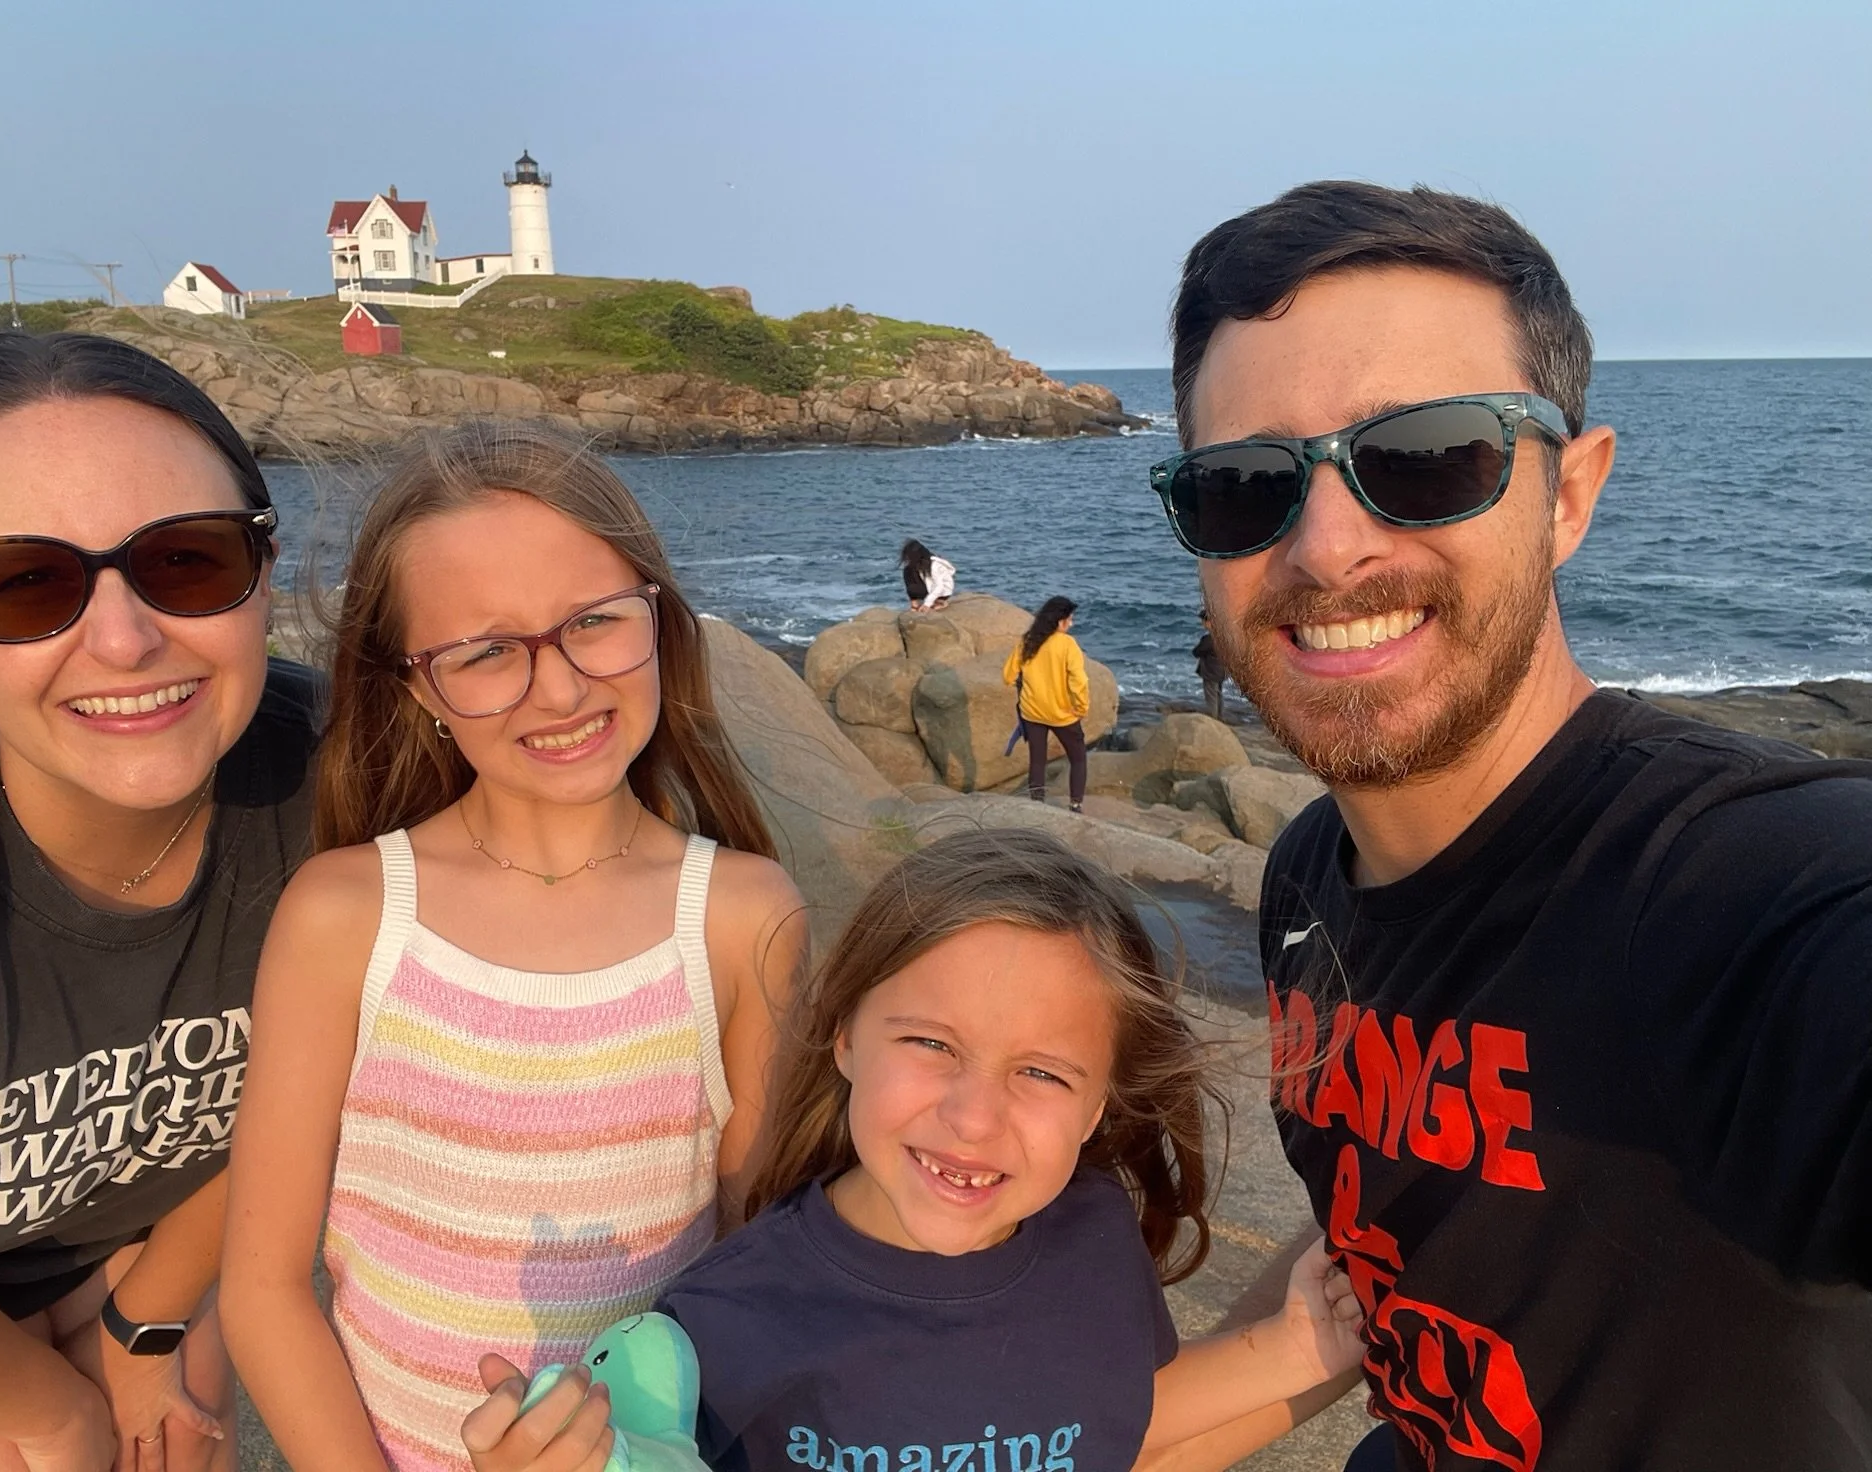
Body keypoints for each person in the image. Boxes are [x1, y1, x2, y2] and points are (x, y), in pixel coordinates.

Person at [1151, 181, 1872, 1470]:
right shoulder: (1310, 876)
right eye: (1244, 484)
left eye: (1425, 457)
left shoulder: (1746, 887)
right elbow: (1379, 1252)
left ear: (1568, 495)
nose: (1325, 549)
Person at [219, 421, 807, 1472]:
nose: (561, 686)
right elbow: (262, 1291)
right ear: (413, 687)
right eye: (485, 652)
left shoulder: (740, 916)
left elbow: (755, 1277)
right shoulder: (345, 915)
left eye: (592, 622)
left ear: (657, 619)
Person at [462, 829, 1364, 1472]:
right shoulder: (729, 1319)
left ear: (1100, 1104)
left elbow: (1112, 1427)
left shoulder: (1095, 1238)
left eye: (1044, 1073)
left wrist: (1295, 1348)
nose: (975, 1118)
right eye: (932, 1045)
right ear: (845, 1034)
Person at [0, 332, 318, 1472]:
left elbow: (315, 1102)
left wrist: (141, 1317)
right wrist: (60, 1416)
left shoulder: (325, 785)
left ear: (263, 571)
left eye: (186, 561)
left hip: (130, 1246)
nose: (125, 640)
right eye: (21, 582)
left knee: (178, 1444)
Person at [1002, 596, 1090, 812]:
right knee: (1078, 759)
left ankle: (1037, 802)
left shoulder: (1028, 641)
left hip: (1032, 711)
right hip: (1062, 713)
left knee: (1037, 759)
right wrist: (1081, 707)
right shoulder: (1067, 644)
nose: (1072, 623)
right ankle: (1075, 804)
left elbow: (1008, 676)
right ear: (1060, 621)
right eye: (1070, 619)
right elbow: (1079, 681)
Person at [898, 540, 955, 611]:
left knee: (910, 574)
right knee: (907, 570)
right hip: (929, 587)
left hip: (943, 591)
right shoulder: (917, 565)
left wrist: (927, 604)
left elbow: (939, 586)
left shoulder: (934, 565)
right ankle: (914, 603)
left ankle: (940, 601)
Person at [1192, 610, 1227, 722]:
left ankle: (1213, 720)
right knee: (1218, 695)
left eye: (1203, 621)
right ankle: (1220, 718)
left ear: (1209, 622)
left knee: (1211, 697)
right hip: (1221, 671)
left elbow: (1197, 652)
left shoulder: (1209, 639)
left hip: (1210, 672)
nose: (1202, 623)